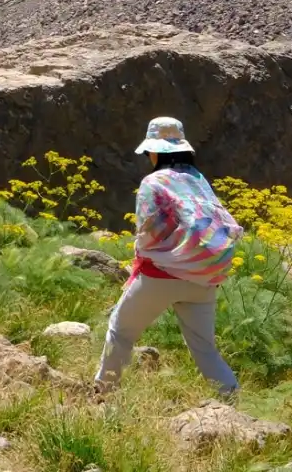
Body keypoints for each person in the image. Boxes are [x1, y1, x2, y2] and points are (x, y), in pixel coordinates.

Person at [93, 116, 242, 396]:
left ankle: (105, 394)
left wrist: (143, 255)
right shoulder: (198, 179)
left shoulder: (154, 181)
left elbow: (148, 231)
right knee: (204, 348)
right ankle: (232, 399)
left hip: (162, 275)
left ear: (156, 150)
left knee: (120, 331)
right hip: (204, 277)